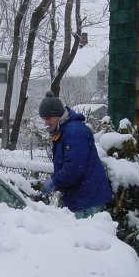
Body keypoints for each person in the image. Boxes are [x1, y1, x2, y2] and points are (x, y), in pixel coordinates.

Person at [38, 90, 113, 218]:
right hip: (79, 197)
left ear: (58, 115)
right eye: (44, 119)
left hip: (87, 200)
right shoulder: (64, 131)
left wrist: (53, 183)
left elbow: (74, 168)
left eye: (48, 118)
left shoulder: (74, 132)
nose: (46, 123)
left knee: (85, 237)